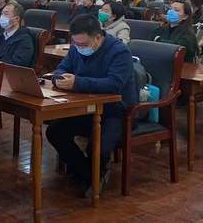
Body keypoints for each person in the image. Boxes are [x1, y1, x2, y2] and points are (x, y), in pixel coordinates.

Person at [46, 15, 136, 197]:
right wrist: (59, 78)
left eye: (83, 44)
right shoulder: (76, 48)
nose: (79, 48)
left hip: (115, 111)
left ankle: (92, 174)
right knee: (55, 131)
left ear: (98, 37)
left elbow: (114, 84)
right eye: (76, 43)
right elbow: (62, 68)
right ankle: (88, 174)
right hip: (86, 108)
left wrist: (77, 82)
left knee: (98, 146)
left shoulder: (119, 52)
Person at [0, 2, 35, 67]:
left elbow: (17, 65)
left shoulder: (24, 40)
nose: (2, 17)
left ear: (17, 19)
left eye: (6, 14)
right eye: (2, 13)